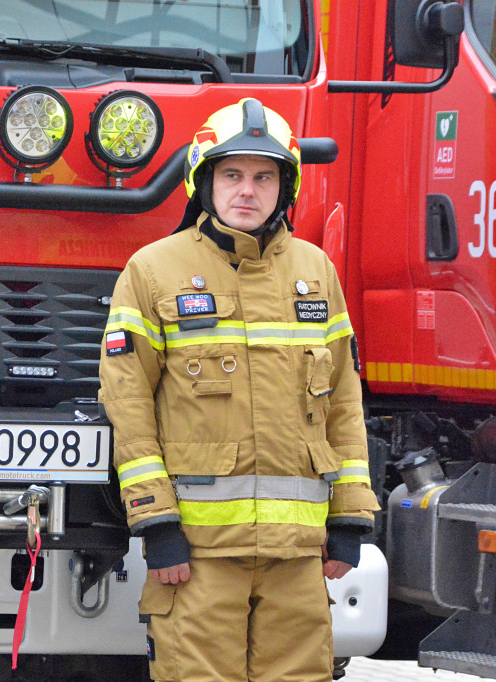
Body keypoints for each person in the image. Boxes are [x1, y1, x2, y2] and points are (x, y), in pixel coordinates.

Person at [98, 98, 380, 681]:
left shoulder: (316, 271)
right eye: (231, 174)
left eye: (263, 176)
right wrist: (158, 525)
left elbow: (344, 404)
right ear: (204, 181)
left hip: (298, 557)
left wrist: (350, 520)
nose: (247, 190)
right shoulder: (152, 271)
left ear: (285, 186)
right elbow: (127, 407)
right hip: (197, 554)